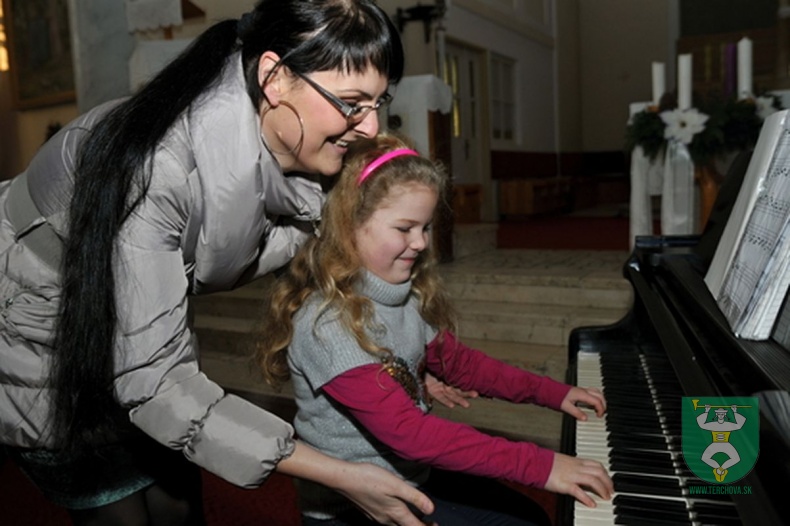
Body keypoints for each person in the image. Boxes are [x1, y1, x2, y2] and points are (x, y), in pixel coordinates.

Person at [0, 1, 436, 525]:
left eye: (377, 102)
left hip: (140, 333)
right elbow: (158, 386)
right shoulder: (156, 169)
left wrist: (404, 360)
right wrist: (340, 474)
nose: (369, 126)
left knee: (176, 505)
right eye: (351, 103)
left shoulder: (293, 151)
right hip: (41, 340)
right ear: (274, 78)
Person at [256, 133, 615, 525]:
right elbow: (412, 435)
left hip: (410, 474)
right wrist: (543, 465)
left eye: (425, 227)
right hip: (354, 506)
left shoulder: (402, 298)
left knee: (530, 515)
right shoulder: (327, 324)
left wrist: (553, 393)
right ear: (348, 226)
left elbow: (463, 365)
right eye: (405, 228)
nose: (421, 242)